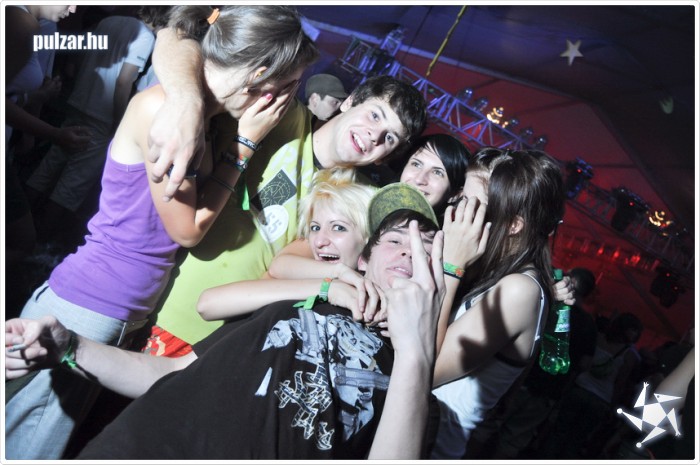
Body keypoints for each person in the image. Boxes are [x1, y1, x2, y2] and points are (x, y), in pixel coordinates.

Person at [4, 5, 319, 459]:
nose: (288, 98)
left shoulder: (202, 117)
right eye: (290, 85)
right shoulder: (165, 111)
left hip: (119, 309)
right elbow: (188, 230)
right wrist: (245, 145)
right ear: (261, 76)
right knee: (28, 448)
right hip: (90, 302)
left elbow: (180, 34)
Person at [5, 183, 445, 459]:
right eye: (394, 239)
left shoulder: (414, 383)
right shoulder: (292, 303)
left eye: (425, 247)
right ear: (366, 257)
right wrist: (70, 347)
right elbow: (171, 372)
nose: (408, 251)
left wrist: (415, 351)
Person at [141, 69, 426, 356]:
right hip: (147, 287)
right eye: (375, 115)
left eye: (390, 138)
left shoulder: (359, 199)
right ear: (350, 101)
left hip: (215, 341)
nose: (375, 135)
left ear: (386, 157)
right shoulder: (284, 115)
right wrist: (185, 96)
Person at [428, 147, 567, 459]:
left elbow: (426, 369)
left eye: (470, 203)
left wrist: (452, 265)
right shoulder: (495, 273)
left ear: (514, 224)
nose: (456, 206)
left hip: (431, 448)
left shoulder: (519, 291)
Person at [25, 6, 169, 245]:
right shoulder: (144, 37)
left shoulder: (108, 22)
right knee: (71, 186)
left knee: (47, 168)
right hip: (102, 117)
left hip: (78, 102)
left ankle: (18, 227)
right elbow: (124, 81)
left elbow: (80, 59)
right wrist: (120, 123)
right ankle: (39, 245)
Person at [463, 266, 598, 459]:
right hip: (547, 392)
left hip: (520, 379)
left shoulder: (548, 303)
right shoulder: (588, 325)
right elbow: (585, 364)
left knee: (484, 428)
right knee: (513, 440)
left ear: (569, 280)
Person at [540, 311, 643, 459]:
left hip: (580, 388)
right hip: (601, 400)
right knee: (576, 440)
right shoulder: (630, 355)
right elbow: (619, 384)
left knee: (559, 431)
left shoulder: (598, 339)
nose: (634, 334)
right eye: (633, 330)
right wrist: (613, 407)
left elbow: (582, 364)